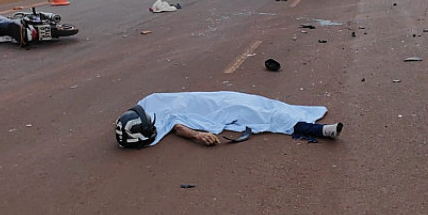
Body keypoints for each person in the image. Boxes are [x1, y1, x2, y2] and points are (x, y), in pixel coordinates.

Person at [114, 91, 344, 149]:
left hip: (215, 103)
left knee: (259, 108)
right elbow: (174, 124)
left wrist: (196, 134)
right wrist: (198, 134)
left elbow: (175, 123)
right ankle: (317, 129)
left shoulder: (151, 106)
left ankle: (312, 126)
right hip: (215, 106)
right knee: (261, 114)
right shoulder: (145, 111)